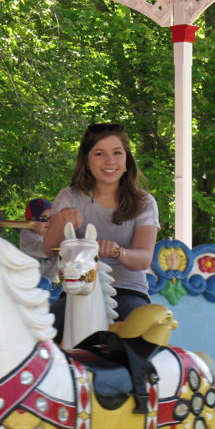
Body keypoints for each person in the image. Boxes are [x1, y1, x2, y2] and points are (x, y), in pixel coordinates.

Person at [43, 123, 160, 344]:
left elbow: (144, 259)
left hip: (126, 291)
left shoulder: (144, 202)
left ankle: (140, 378)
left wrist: (117, 252)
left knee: (136, 339)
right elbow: (49, 250)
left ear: (127, 160)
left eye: (117, 153)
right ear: (87, 161)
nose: (110, 161)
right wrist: (61, 220)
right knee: (40, 332)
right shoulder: (70, 197)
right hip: (77, 291)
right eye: (100, 154)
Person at [19, 198, 58, 284]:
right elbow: (45, 250)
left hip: (51, 283)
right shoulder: (26, 235)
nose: (48, 222)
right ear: (30, 221)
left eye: (50, 218)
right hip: (30, 284)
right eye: (43, 219)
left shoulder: (55, 234)